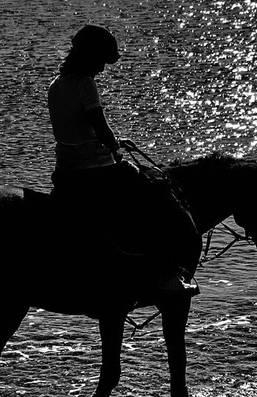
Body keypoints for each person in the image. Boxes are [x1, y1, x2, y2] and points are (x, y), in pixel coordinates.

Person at [46, 25, 200, 298]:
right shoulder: (85, 84)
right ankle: (167, 274)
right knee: (157, 191)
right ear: (89, 57)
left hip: (66, 171)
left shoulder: (56, 84)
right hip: (96, 170)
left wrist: (114, 142)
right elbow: (101, 129)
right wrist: (114, 144)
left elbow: (76, 130)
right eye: (100, 61)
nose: (102, 68)